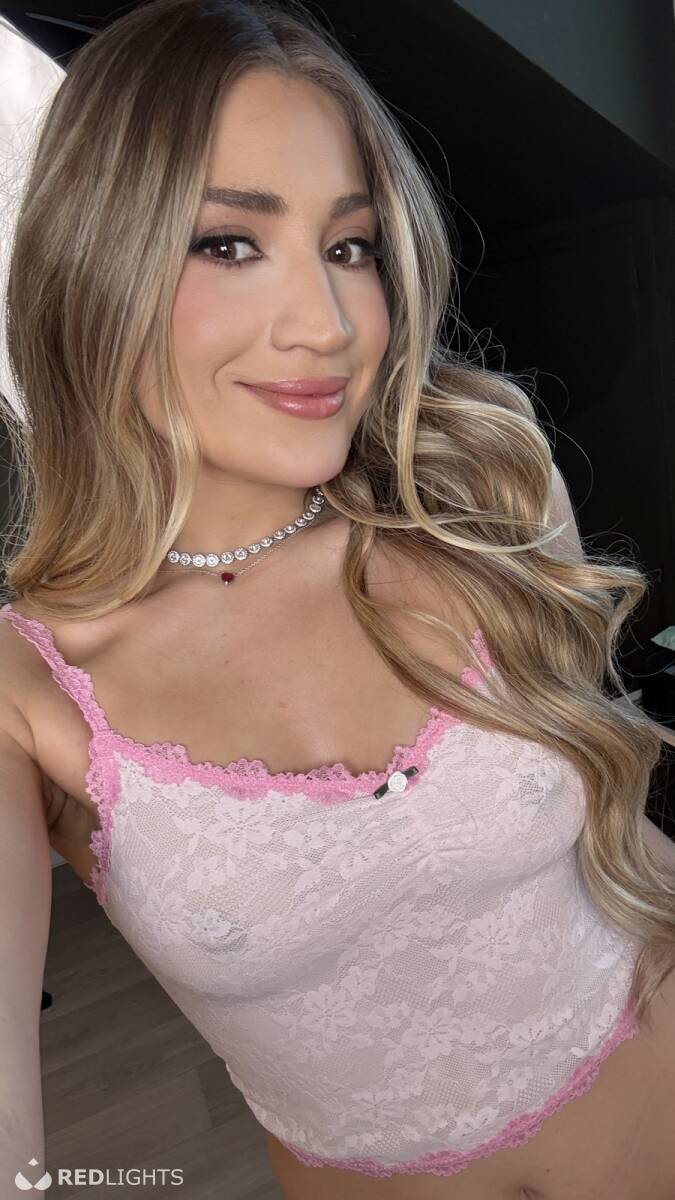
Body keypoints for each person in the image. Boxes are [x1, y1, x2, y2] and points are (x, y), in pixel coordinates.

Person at [0, 1, 674, 1197]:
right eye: (228, 243)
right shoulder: (31, 695)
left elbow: (612, 820)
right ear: (92, 266)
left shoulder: (484, 486)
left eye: (351, 247)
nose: (326, 326)